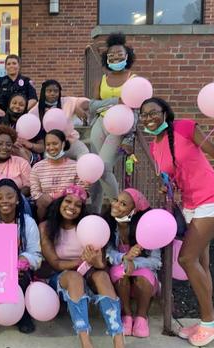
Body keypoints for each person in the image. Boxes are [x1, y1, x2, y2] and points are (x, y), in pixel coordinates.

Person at [140, 97, 214, 347]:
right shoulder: (154, 146)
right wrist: (168, 187)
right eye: (144, 115)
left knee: (186, 258)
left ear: (165, 113)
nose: (149, 118)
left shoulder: (184, 127)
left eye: (153, 113)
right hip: (191, 204)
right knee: (201, 262)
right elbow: (172, 177)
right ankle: (208, 319)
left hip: (212, 197)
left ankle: (211, 320)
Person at [39, 187, 128, 348]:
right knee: (74, 277)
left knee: (102, 276)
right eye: (68, 202)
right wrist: (83, 261)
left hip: (89, 273)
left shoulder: (89, 225)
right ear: (59, 203)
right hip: (62, 277)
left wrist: (96, 262)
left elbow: (101, 264)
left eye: (78, 205)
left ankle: (120, 347)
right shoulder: (46, 227)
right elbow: (55, 263)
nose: (72, 207)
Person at [0, 179, 42, 335]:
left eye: (9, 196)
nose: (4, 201)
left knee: (22, 275)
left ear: (18, 199)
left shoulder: (28, 223)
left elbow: (36, 255)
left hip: (18, 272)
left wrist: (25, 259)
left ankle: (23, 312)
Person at [88, 33, 137, 212]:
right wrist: (116, 101)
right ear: (106, 58)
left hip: (121, 130)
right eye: (111, 56)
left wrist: (129, 138)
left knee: (103, 168)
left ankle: (119, 207)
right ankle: (95, 209)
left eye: (119, 54)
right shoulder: (101, 80)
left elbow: (136, 110)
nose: (116, 57)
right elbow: (92, 106)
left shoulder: (134, 80)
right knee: (95, 169)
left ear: (127, 56)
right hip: (100, 124)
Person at [104, 189, 161, 338]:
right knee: (121, 274)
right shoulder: (110, 225)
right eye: (116, 200)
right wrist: (125, 257)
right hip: (121, 266)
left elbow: (156, 261)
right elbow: (108, 253)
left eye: (123, 204)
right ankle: (127, 315)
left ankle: (142, 317)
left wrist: (135, 263)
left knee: (143, 277)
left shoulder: (147, 229)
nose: (116, 205)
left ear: (133, 211)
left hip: (142, 269)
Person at [30, 129, 86, 221]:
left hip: (69, 208)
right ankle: (44, 228)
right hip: (47, 209)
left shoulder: (75, 166)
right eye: (48, 144)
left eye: (55, 143)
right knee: (42, 200)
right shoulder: (37, 167)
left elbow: (80, 191)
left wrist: (56, 197)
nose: (51, 147)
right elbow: (35, 194)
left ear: (63, 144)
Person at [29, 80, 90, 160]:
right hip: (51, 145)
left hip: (70, 141)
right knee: (48, 162)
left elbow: (86, 102)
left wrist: (78, 107)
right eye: (49, 91)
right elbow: (29, 121)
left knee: (84, 153)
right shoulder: (38, 108)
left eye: (56, 91)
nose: (52, 93)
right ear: (43, 92)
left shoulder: (66, 101)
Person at [0, 93, 44, 164]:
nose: (17, 106)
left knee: (18, 149)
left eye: (21, 105)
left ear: (25, 107)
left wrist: (30, 144)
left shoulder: (31, 122)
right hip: (6, 153)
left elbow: (42, 147)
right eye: (14, 103)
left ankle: (28, 171)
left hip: (29, 156)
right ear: (9, 104)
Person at [0, 54, 38, 125]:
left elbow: (33, 99)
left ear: (19, 66)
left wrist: (22, 110)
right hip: (1, 116)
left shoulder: (26, 81)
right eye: (8, 64)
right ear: (5, 67)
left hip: (21, 117)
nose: (11, 66)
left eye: (14, 63)